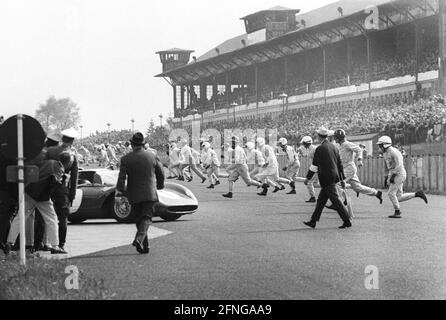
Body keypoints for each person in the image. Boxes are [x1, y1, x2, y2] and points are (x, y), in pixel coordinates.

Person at [6, 154, 67, 254]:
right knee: (52, 219)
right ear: (67, 163)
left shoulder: (46, 162)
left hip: (29, 192)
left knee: (19, 217)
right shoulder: (58, 167)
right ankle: (55, 246)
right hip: (42, 197)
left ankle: (10, 242)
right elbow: (56, 184)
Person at [117, 132, 165, 254]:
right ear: (143, 145)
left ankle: (144, 246)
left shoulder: (126, 159)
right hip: (149, 193)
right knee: (146, 218)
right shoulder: (152, 156)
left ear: (132, 145)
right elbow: (161, 173)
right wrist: (160, 185)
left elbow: (121, 178)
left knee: (139, 218)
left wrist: (120, 191)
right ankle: (139, 240)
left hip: (133, 193)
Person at [303, 127, 352, 229]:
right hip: (333, 176)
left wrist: (308, 178)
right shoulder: (334, 147)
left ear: (318, 136)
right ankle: (313, 221)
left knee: (335, 200)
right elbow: (340, 165)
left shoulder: (320, 148)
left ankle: (347, 220)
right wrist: (342, 179)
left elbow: (314, 165)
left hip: (326, 178)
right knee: (321, 201)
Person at [377, 136, 428, 218]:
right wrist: (387, 176)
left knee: (390, 193)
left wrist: (392, 176)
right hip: (394, 174)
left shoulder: (394, 152)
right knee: (398, 197)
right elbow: (388, 166)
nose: (379, 147)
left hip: (399, 174)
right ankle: (418, 194)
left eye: (380, 145)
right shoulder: (385, 153)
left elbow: (399, 165)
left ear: (385, 145)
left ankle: (397, 211)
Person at [45, 128, 79, 251]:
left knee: (47, 217)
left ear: (62, 138)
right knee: (62, 218)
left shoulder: (51, 151)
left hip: (47, 187)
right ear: (72, 141)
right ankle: (61, 245)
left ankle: (46, 242)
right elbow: (74, 178)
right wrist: (72, 195)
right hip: (63, 189)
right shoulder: (73, 155)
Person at [331, 129, 382, 205]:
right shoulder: (341, 145)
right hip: (347, 168)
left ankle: (343, 201)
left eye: (335, 137)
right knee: (357, 187)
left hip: (349, 168)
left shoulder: (346, 144)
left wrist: (359, 160)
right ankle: (376, 193)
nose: (334, 139)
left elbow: (358, 149)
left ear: (339, 138)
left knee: (336, 183)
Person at [0, 152, 16, 255]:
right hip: (7, 192)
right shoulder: (11, 157)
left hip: (5, 191)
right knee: (5, 217)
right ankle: (2, 243)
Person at [297, 136, 318, 202]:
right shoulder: (311, 148)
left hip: (317, 168)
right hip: (317, 168)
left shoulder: (314, 149)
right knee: (315, 183)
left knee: (309, 182)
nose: (303, 145)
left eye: (304, 143)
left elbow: (316, 161)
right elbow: (307, 155)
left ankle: (313, 197)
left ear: (307, 143)